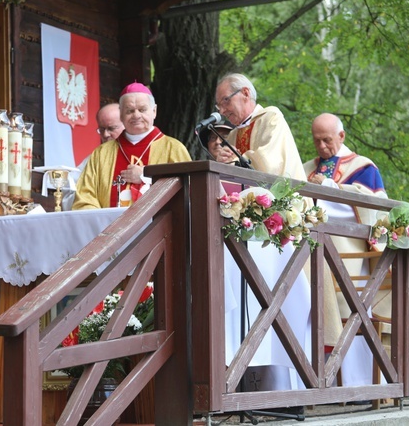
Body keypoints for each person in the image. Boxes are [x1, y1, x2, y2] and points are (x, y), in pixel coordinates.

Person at [213, 73, 341, 393]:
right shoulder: (239, 129)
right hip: (251, 226)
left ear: (245, 93)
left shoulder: (270, 118)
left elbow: (268, 166)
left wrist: (237, 162)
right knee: (252, 302)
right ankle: (244, 379)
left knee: (279, 305)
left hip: (281, 225)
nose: (222, 110)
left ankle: (287, 387)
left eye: (225, 102)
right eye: (218, 105)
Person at [303, 113, 389, 387]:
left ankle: (360, 386)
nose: (322, 146)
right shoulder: (306, 168)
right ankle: (319, 385)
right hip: (312, 255)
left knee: (351, 312)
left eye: (327, 140)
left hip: (349, 256)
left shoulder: (363, 167)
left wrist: (329, 187)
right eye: (317, 140)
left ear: (341, 137)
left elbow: (374, 207)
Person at [73, 82, 191, 209]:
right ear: (121, 114)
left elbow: (188, 191)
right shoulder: (101, 153)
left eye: (142, 109)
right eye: (129, 110)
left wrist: (147, 177)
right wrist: (103, 222)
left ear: (154, 111)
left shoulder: (173, 149)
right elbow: (84, 199)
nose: (136, 115)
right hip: (109, 228)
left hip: (159, 227)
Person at [60, 103, 124, 210]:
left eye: (111, 128)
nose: (105, 135)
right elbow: (70, 190)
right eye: (102, 130)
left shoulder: (142, 153)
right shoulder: (94, 159)